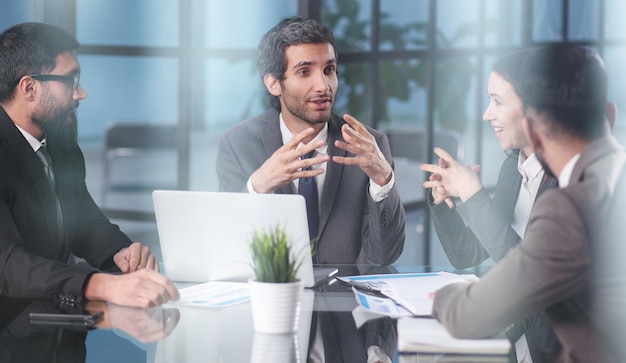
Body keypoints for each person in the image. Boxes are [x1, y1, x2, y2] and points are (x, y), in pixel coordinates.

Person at [431, 44, 626, 362]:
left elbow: (468, 314)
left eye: (497, 101)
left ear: (533, 132)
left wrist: (440, 297)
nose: (486, 114)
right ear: (610, 115)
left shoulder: (568, 207)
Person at [0, 22, 179, 308]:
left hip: (58, 331)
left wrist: (121, 253)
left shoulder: (60, 144)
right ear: (29, 87)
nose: (80, 93)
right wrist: (101, 284)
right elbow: (9, 266)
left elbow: (83, 221)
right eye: (70, 80)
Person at [216, 16, 405, 265]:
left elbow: (384, 256)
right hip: (271, 297)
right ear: (274, 84)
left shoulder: (370, 145)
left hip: (347, 300)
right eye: (304, 72)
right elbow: (229, 250)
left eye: (329, 70)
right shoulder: (237, 144)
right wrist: (258, 186)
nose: (323, 85)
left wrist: (384, 180)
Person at [421, 49, 560, 362]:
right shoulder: (514, 166)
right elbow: (469, 254)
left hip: (548, 346)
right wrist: (446, 203)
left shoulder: (565, 180)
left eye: (497, 102)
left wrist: (473, 194)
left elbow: (528, 275)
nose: (486, 114)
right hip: (511, 340)